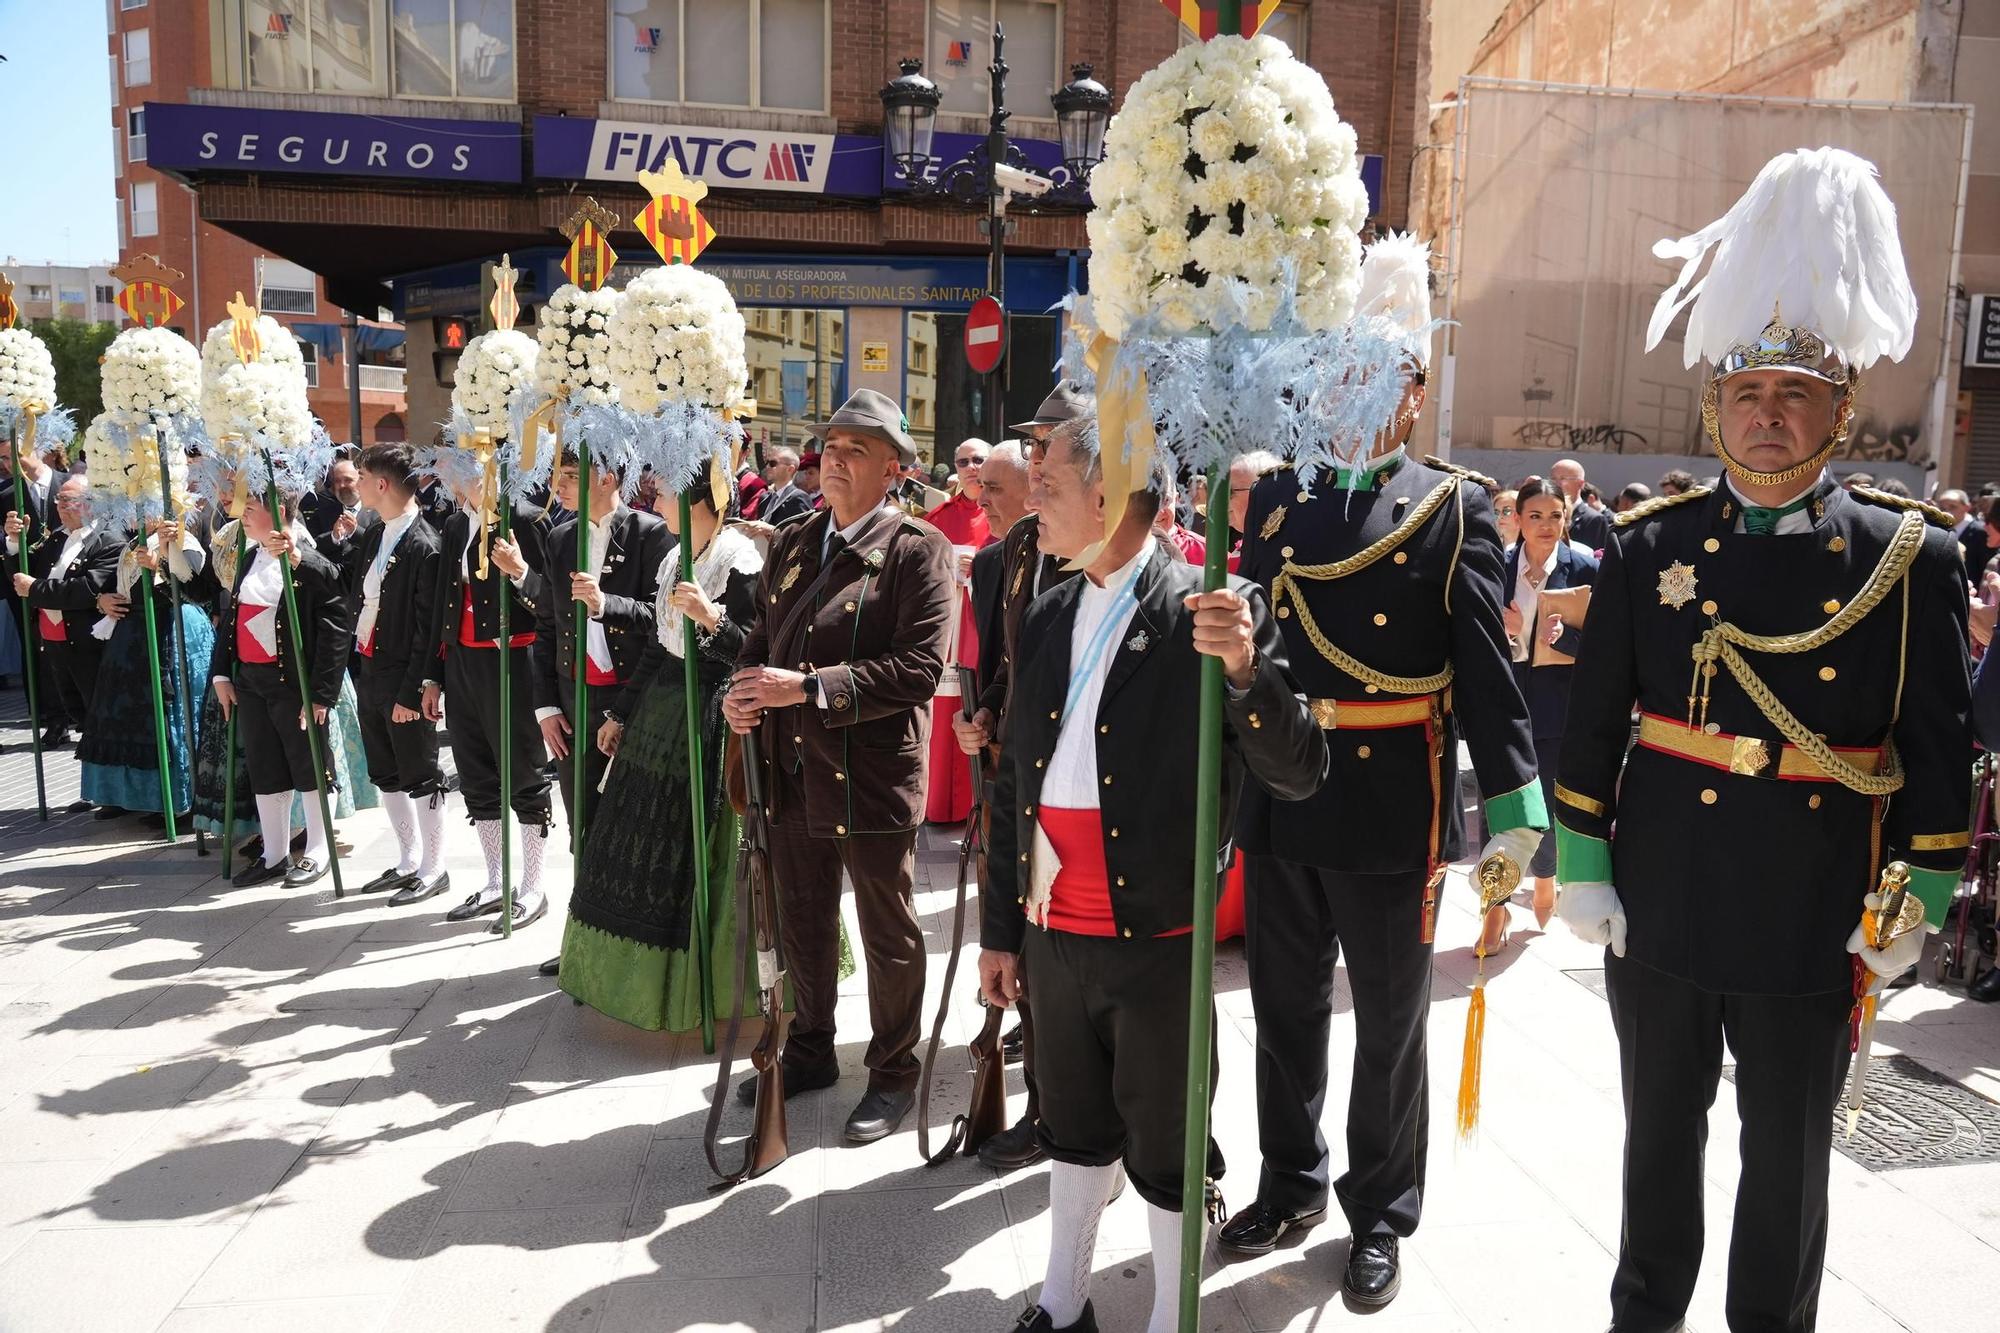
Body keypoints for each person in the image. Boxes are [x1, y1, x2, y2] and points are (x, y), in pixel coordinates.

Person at [1555, 146, 1970, 1332]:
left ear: (1837, 411)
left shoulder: (1908, 557)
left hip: (1810, 902)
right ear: (1711, 406)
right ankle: (1643, 1315)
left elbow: (1936, 756)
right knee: (1655, 1146)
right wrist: (1580, 869)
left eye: (1794, 396)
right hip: (1666, 893)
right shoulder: (1647, 546)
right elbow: (1593, 728)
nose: (1769, 417)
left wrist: (1913, 904)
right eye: (1747, 395)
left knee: (1784, 1163)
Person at [1226, 232, 1546, 1308]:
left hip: (1388, 797)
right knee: (1280, 1009)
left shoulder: (1451, 508)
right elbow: (1251, 657)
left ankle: (1379, 1210)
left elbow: (1489, 679)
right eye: (1338, 373)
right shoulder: (1275, 504)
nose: (1355, 392)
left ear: (1413, 393)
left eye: (1378, 376)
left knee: (1389, 1025)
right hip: (1281, 787)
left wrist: (1514, 816)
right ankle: (1288, 1180)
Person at [981, 422, 1326, 1333]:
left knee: (1170, 1147)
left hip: (1156, 934)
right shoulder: (1051, 605)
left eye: (1048, 479)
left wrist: (1247, 671)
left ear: (1111, 493)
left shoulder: (1214, 607)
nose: (1034, 496)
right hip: (1054, 928)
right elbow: (1018, 775)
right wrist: (998, 930)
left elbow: (1299, 770)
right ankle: (1064, 1303)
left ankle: (1174, 1319)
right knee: (1072, 1123)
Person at [723, 387, 955, 1144]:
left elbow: (920, 667)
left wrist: (811, 688)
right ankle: (813, 1048)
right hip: (789, 768)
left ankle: (893, 1070)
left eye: (858, 450)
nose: (836, 462)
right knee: (802, 918)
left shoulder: (920, 550)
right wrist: (743, 691)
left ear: (893, 468)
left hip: (870, 773)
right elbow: (760, 635)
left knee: (886, 929)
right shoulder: (794, 541)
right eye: (832, 447)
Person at [555, 458, 763, 1026]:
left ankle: (710, 981)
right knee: (634, 844)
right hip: (660, 710)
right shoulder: (675, 555)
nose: (656, 500)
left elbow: (755, 648)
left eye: (666, 491)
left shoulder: (739, 560)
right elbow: (657, 642)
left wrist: (713, 620)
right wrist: (621, 712)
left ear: (701, 497)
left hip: (711, 713)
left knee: (701, 850)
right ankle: (622, 974)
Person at [956, 382, 1093, 1173]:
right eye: (1032, 446)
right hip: (1019, 787)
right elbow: (1000, 669)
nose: (1038, 463)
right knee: (1028, 959)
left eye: (1049, 446)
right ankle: (1044, 1105)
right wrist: (982, 721)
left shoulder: (1110, 551)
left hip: (1093, 797)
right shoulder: (1002, 560)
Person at [501, 454, 670, 852]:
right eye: (560, 475)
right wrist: (545, 707)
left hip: (632, 694)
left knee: (633, 823)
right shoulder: (561, 537)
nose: (560, 484)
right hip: (572, 695)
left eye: (574, 476)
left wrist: (604, 604)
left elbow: (661, 621)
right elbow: (547, 625)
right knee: (583, 821)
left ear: (609, 480)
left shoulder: (650, 533)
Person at [424, 454, 555, 932]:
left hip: (512, 660)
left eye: (455, 464)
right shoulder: (457, 524)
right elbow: (443, 600)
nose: (445, 473)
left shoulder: (524, 517)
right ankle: (496, 880)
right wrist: (432, 674)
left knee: (522, 769)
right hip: (462, 660)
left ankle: (534, 884)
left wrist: (518, 571)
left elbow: (549, 599)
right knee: (475, 770)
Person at [328, 443, 449, 904]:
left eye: (361, 477)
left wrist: (410, 690)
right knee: (387, 770)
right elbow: (351, 590)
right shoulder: (375, 531)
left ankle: (435, 866)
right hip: (371, 668)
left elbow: (427, 629)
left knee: (420, 770)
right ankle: (408, 857)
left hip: (405, 676)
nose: (355, 485)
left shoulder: (425, 543)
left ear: (380, 484)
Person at [210, 491, 349, 887]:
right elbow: (233, 617)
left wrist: (322, 693)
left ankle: (319, 849)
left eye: (250, 509)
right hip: (251, 681)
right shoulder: (249, 556)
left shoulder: (307, 560)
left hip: (294, 681)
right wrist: (221, 675)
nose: (243, 516)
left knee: (310, 766)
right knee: (265, 766)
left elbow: (336, 628)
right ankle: (274, 853)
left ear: (279, 512)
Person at [1493, 475, 1597, 951]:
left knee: (1548, 805)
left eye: (1555, 515)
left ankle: (1543, 877)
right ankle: (1494, 906)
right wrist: (1511, 631)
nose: (1546, 525)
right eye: (1535, 515)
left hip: (1559, 709)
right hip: (1502, 703)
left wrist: (1556, 635)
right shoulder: (1496, 565)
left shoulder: (1584, 568)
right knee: (1500, 805)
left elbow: (1605, 645)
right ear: (1517, 519)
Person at [76, 516, 214, 823]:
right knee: (124, 717)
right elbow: (117, 586)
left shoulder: (182, 541)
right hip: (129, 637)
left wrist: (159, 567)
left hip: (170, 630)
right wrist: (103, 600)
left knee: (169, 715)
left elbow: (194, 592)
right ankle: (125, 795)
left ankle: (179, 800)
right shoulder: (132, 542)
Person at [8, 476, 121, 755]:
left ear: (91, 505)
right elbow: (28, 574)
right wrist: (14, 542)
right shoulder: (59, 537)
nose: (61, 507)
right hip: (53, 640)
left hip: (87, 644)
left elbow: (85, 588)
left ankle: (104, 788)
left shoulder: (108, 540)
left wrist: (34, 588)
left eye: (69, 501)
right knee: (78, 716)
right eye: (59, 500)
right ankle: (91, 786)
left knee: (99, 718)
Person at [921, 437, 994, 824]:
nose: (971, 467)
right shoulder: (938, 518)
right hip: (949, 627)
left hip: (983, 627)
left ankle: (975, 803)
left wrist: (979, 566)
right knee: (945, 709)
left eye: (979, 459)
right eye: (963, 460)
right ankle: (938, 806)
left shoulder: (1006, 513)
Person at [2, 440, 72, 745]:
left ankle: (81, 712)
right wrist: (11, 539)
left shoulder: (70, 485)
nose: (8, 463)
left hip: (71, 584)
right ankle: (52, 719)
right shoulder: (6, 495)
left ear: (39, 447)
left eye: (14, 455)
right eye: (3, 458)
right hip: (28, 587)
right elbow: (5, 548)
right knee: (39, 652)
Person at [1552, 457, 1611, 551]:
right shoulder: (1546, 513)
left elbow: (1599, 556)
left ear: (1580, 484)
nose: (1556, 484)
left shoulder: (1594, 519)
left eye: (1563, 478)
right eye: (1553, 479)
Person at [759, 446, 813, 526]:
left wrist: (772, 532)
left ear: (790, 469)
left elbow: (803, 533)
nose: (767, 467)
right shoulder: (765, 498)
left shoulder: (799, 498)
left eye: (773, 463)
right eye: (767, 462)